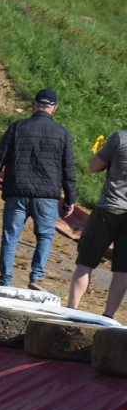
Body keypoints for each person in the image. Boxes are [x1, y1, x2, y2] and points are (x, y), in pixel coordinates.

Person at [0, 89, 76, 291]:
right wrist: (70, 199)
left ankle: (5, 281)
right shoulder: (63, 133)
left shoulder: (17, 127)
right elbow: (68, 170)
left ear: (33, 106)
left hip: (17, 193)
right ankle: (36, 277)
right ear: (54, 109)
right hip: (46, 197)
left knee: (10, 237)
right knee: (45, 236)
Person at [67, 131, 127, 318]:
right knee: (123, 270)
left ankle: (71, 311)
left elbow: (93, 167)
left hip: (109, 208)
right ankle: (108, 317)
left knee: (86, 262)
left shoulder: (120, 138)